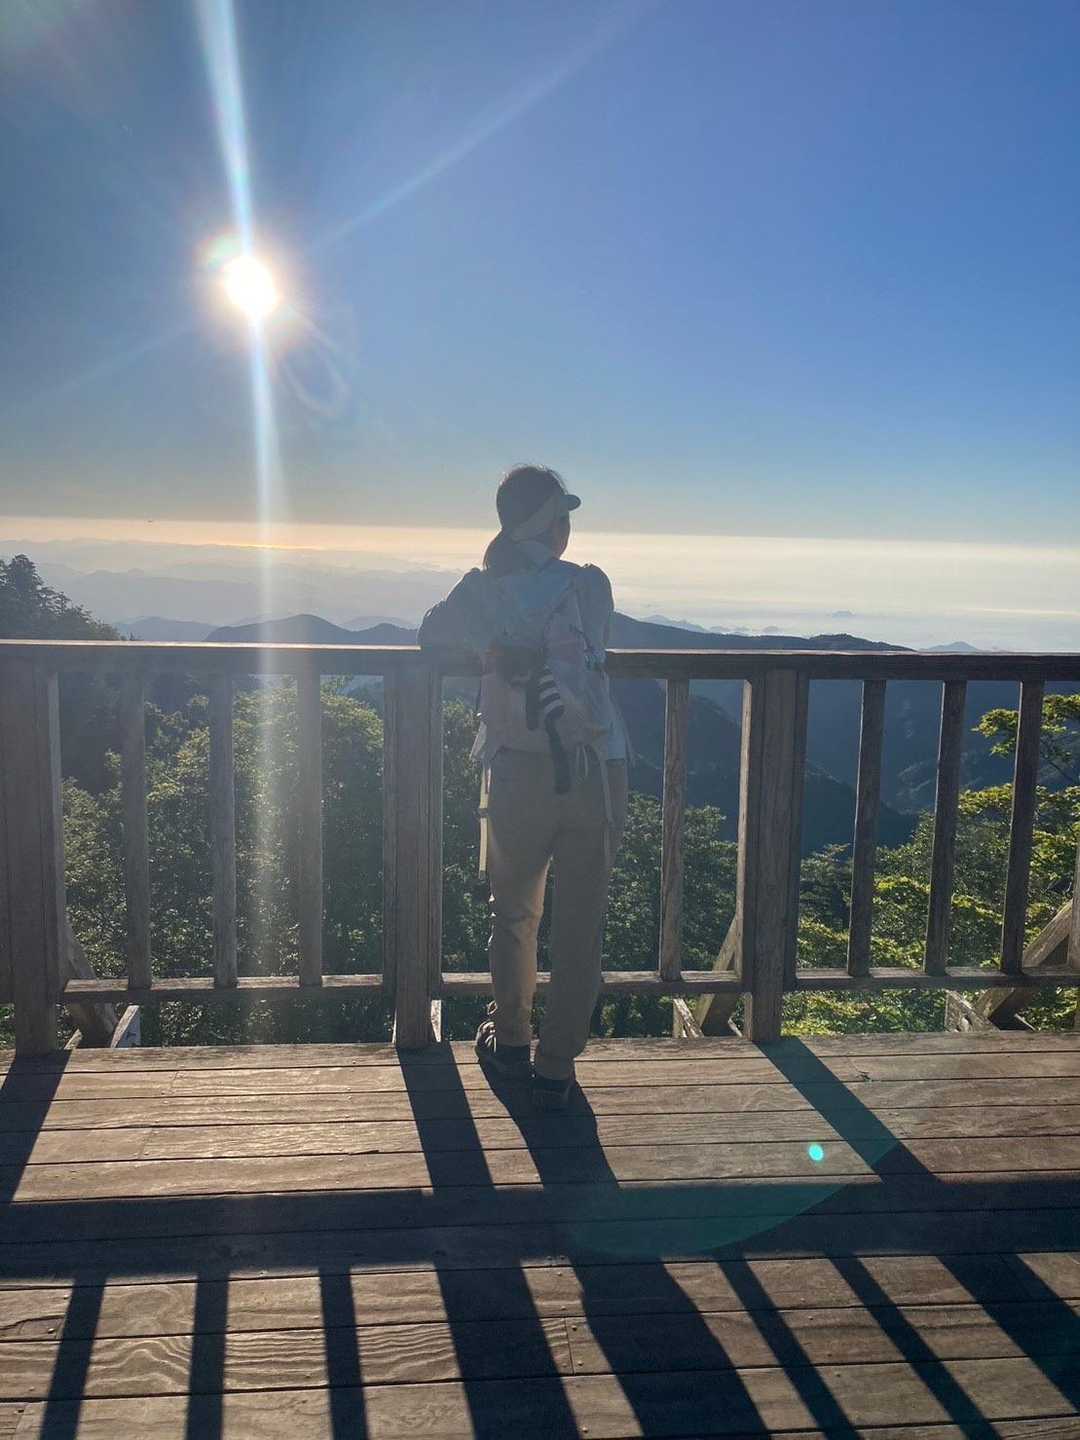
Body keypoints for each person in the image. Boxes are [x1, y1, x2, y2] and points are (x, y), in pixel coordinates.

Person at [418, 464, 628, 1110]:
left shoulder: (480, 591)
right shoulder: (588, 585)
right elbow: (599, 646)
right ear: (552, 526)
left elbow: (431, 635)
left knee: (513, 914)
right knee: (580, 923)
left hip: (515, 768)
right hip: (592, 767)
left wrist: (492, 647)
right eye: (563, 518)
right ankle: (556, 1066)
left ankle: (509, 1038)